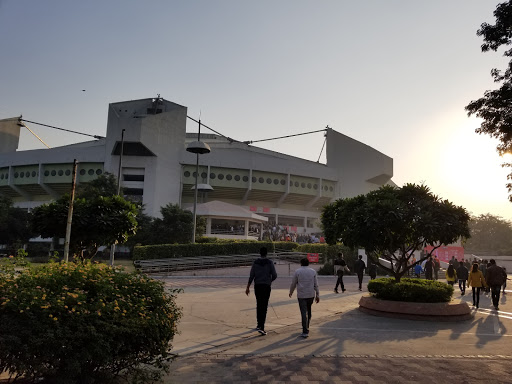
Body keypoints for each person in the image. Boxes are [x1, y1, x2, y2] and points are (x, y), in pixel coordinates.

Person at [245, 247, 277, 335]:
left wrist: (248, 287)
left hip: (258, 286)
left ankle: (259, 324)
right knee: (264, 305)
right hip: (266, 286)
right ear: (266, 253)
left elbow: (252, 275)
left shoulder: (255, 262)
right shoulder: (270, 262)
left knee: (259, 304)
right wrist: (269, 281)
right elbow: (274, 275)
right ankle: (262, 327)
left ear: (260, 253)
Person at [289, 258, 320, 338]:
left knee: (303, 312)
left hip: (302, 295)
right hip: (310, 294)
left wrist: (291, 292)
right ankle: (307, 326)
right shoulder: (313, 271)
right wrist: (317, 295)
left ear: (301, 263)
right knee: (308, 311)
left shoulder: (298, 271)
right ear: (308, 263)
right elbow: (316, 284)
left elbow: (293, 283)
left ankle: (305, 330)